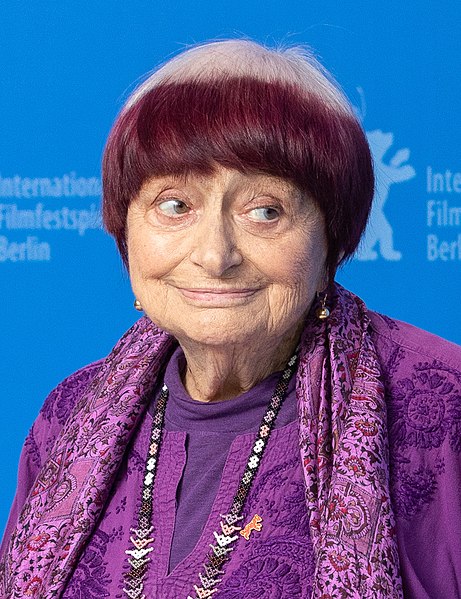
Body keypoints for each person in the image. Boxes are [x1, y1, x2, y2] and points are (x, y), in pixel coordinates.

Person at [1, 39, 460, 599]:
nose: (215, 255)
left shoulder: (441, 406)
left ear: (331, 241)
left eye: (265, 211)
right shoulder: (67, 418)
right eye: (174, 205)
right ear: (126, 233)